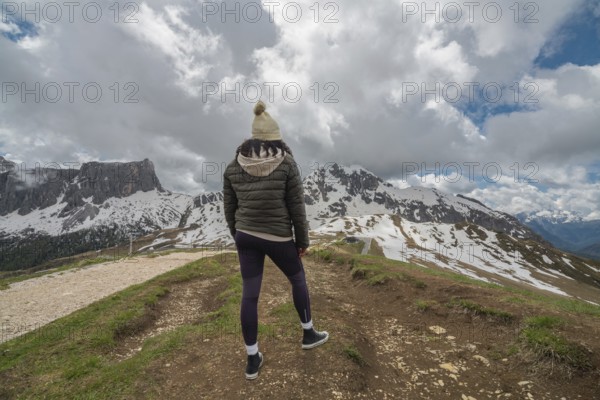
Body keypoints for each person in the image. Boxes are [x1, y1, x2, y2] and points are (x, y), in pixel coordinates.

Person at [223, 100, 329, 380]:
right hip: (278, 236)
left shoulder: (233, 166)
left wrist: (238, 235)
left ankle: (252, 359)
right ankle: (308, 334)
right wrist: (302, 240)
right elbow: (297, 206)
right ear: (275, 137)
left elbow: (229, 208)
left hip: (246, 236)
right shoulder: (287, 163)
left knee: (250, 295)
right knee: (297, 280)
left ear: (253, 137)